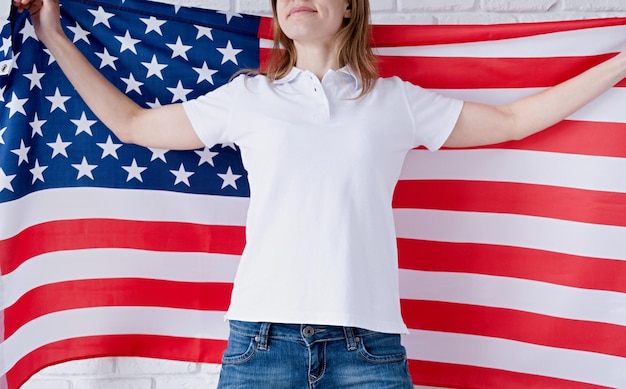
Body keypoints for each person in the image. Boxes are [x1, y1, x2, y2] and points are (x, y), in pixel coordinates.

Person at [15, 0, 626, 387]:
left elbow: (514, 122)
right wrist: (54, 35)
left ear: (351, 10)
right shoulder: (247, 97)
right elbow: (134, 127)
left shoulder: (396, 102)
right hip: (260, 346)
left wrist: (619, 61)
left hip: (371, 350)